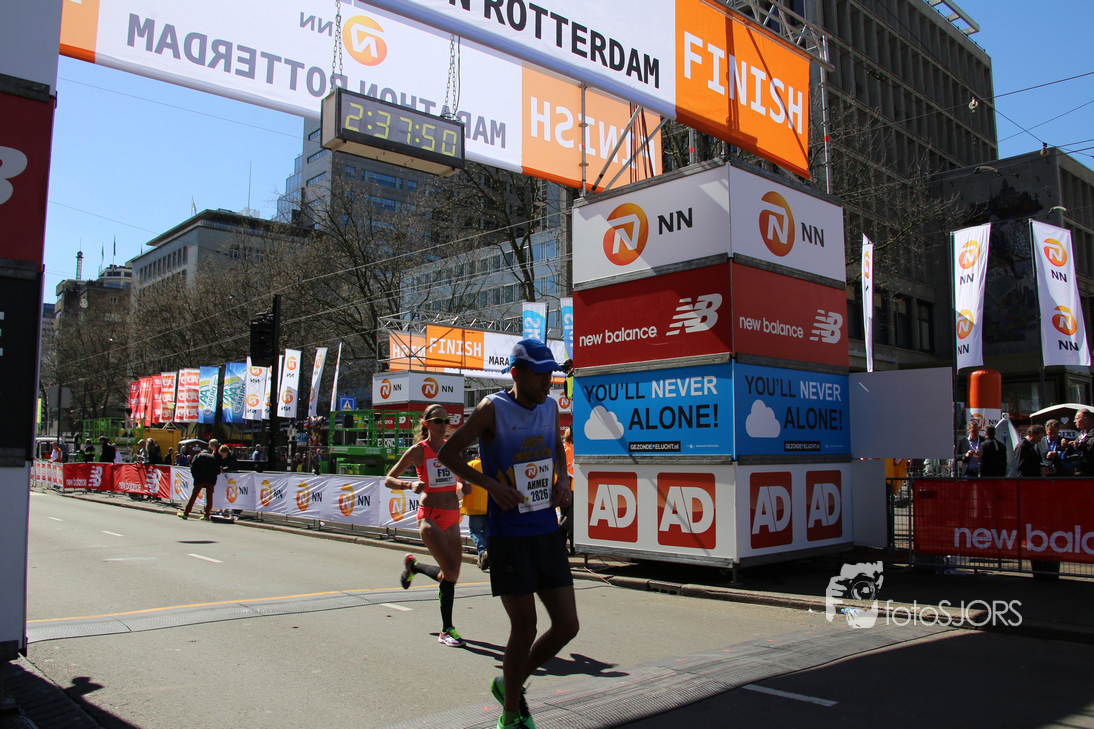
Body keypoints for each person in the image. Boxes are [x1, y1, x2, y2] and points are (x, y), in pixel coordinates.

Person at [438, 339, 579, 729]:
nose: (548, 382)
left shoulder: (550, 407)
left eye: (551, 374)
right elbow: (448, 454)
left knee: (567, 626)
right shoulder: (492, 408)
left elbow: (556, 451)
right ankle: (511, 714)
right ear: (516, 373)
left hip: (545, 530)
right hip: (509, 535)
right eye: (541, 374)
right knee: (526, 626)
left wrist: (562, 481)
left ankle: (508, 683)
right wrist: (490, 486)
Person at [385, 404, 470, 648]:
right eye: (438, 421)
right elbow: (389, 479)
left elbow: (459, 479)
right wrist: (409, 485)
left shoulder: (452, 449)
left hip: (452, 516)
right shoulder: (418, 451)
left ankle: (414, 566)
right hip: (430, 516)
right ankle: (447, 629)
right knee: (450, 572)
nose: (443, 425)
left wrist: (464, 485)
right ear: (427, 424)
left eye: (446, 421)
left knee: (450, 575)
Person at [460, 452, 489, 570]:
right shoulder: (491, 464)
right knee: (486, 532)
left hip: (474, 505)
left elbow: (462, 482)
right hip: (489, 505)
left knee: (474, 531)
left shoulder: (471, 465)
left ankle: (482, 552)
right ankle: (485, 556)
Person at [179, 443, 220, 520]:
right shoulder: (213, 458)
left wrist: (195, 477)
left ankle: (186, 513)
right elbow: (218, 470)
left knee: (193, 496)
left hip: (200, 478)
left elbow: (193, 467)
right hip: (210, 479)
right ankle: (207, 515)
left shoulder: (197, 456)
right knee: (209, 497)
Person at [558, 427, 576, 549]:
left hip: (569, 488)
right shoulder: (568, 449)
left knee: (568, 517)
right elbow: (569, 469)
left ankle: (567, 546)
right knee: (567, 518)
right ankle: (562, 546)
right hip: (569, 489)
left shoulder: (568, 448)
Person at [1067, 408, 1094, 476]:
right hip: (1079, 472)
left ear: (1085, 419)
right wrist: (1067, 446)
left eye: (1077, 419)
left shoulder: (1092, 433)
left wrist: (1079, 445)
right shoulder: (1081, 433)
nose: (1074, 421)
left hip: (1090, 473)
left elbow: (1091, 449)